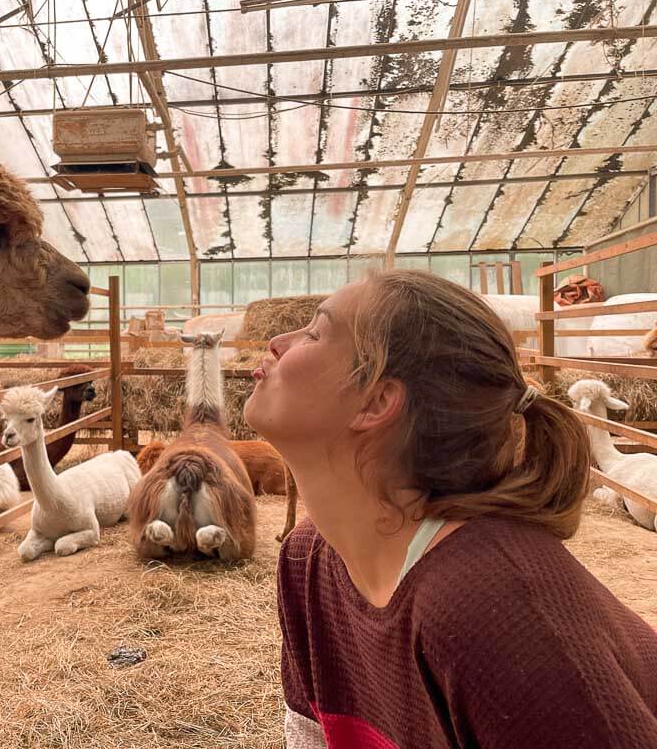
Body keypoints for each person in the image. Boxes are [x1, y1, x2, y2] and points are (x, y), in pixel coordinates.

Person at [244, 270, 657, 749]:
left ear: (376, 401)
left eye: (315, 333)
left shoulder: (493, 608)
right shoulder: (307, 560)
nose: (277, 341)